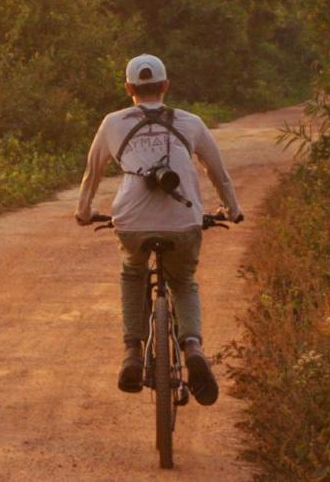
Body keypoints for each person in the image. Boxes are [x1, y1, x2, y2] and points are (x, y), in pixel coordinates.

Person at [74, 54, 242, 406]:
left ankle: (132, 352)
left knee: (133, 274)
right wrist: (232, 209)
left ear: (128, 88)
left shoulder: (112, 122)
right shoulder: (191, 122)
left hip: (132, 223)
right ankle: (193, 347)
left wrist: (84, 211)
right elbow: (218, 172)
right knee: (182, 281)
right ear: (166, 86)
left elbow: (92, 174)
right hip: (183, 223)